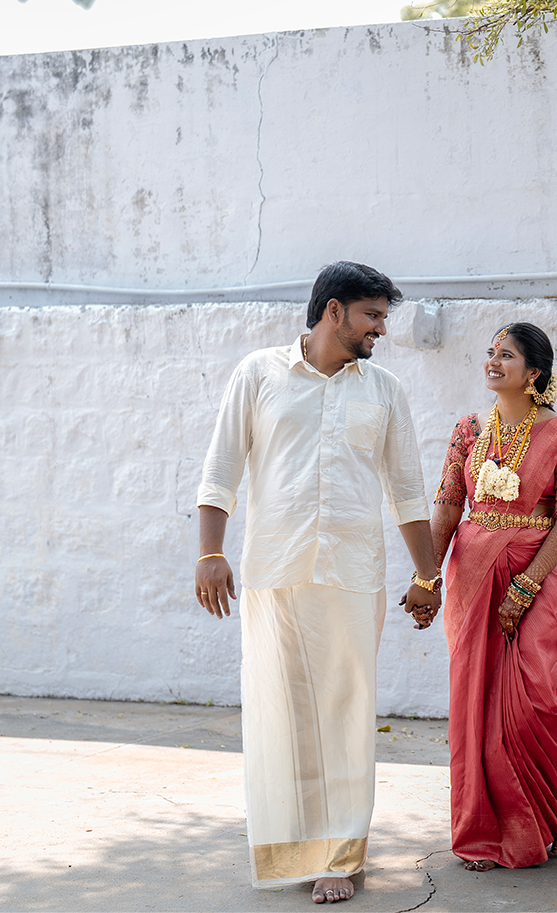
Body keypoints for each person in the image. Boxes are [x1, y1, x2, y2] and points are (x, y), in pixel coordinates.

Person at [193, 261, 443, 905]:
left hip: (353, 574)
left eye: (383, 317)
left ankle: (339, 853)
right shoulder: (258, 373)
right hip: (274, 571)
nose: (381, 329)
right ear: (334, 311)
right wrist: (210, 552)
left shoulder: (384, 390)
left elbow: (407, 491)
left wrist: (427, 574)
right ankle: (292, 845)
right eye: (372, 316)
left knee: (347, 709)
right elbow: (221, 468)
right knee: (281, 710)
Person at [428, 322, 557, 871]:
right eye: (490, 352)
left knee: (535, 698)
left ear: (534, 372)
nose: (493, 361)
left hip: (540, 572)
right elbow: (448, 505)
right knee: (476, 704)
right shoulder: (468, 430)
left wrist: (527, 584)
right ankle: (484, 833)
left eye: (506, 355)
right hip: (473, 573)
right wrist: (427, 576)